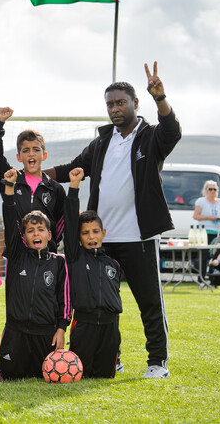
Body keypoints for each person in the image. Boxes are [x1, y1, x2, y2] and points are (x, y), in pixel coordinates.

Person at [46, 62, 181, 379]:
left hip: (139, 238)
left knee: (149, 303)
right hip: (100, 242)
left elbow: (172, 130)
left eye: (121, 102)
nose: (115, 108)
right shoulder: (102, 142)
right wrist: (34, 172)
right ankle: (111, 357)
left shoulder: (151, 138)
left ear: (135, 103)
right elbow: (73, 168)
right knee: (100, 304)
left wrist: (161, 98)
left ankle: (157, 362)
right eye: (110, 104)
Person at [0, 167, 70, 380]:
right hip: (16, 331)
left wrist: (61, 329)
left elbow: (64, 300)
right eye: (30, 230)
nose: (36, 234)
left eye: (40, 230)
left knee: (45, 376)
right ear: (24, 236)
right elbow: (11, 221)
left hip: (45, 334)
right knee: (10, 375)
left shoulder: (59, 263)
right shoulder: (17, 256)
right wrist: (9, 189)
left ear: (49, 235)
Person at [64, 168, 122, 379]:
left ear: (103, 234)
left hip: (110, 326)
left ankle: (116, 356)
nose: (91, 237)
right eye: (85, 233)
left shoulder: (112, 263)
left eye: (95, 232)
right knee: (81, 375)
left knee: (105, 376)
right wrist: (74, 186)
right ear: (79, 237)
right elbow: (70, 221)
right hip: (84, 326)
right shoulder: (75, 257)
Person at [0, 107, 65, 252]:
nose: (31, 154)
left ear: (44, 155)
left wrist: (51, 245)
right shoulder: (12, 180)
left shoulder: (56, 189)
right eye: (25, 150)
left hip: (47, 256)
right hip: (18, 255)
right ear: (18, 157)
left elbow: (59, 225)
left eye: (36, 150)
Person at [193, 180, 220, 244]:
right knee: (205, 252)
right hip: (204, 232)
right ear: (206, 190)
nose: (212, 191)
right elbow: (195, 216)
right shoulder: (201, 201)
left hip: (217, 232)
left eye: (214, 189)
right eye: (210, 189)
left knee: (216, 252)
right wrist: (208, 217)